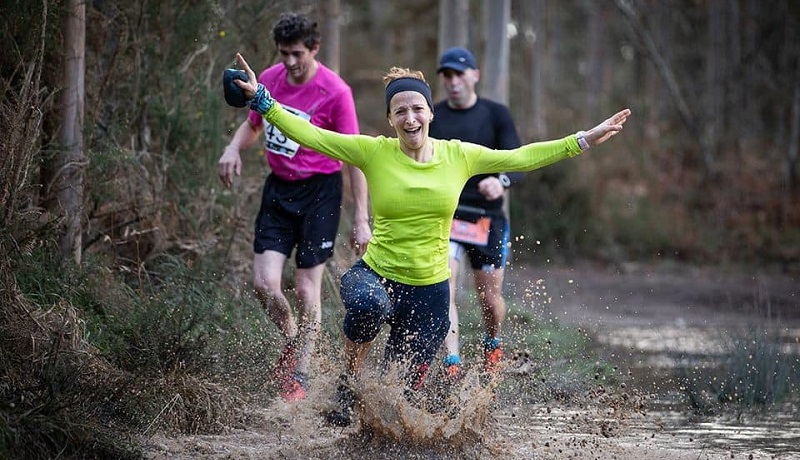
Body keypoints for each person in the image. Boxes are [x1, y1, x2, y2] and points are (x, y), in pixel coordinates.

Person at [222, 51, 631, 426]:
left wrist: (583, 139)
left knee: (401, 389)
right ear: (390, 119)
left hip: (430, 289)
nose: (410, 118)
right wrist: (262, 100)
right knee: (367, 305)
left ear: (430, 113)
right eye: (400, 111)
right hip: (377, 273)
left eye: (417, 108)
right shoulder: (374, 152)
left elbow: (520, 157)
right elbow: (313, 136)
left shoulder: (459, 155)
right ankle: (347, 382)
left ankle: (377, 423)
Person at [217, 13, 371, 402]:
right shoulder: (267, 79)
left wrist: (361, 219)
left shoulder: (335, 92)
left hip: (321, 191)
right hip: (279, 190)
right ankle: (291, 343)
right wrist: (233, 148)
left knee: (306, 287)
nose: (289, 62)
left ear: (314, 48)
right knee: (264, 285)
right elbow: (254, 125)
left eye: (297, 54)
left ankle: (300, 373)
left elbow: (356, 157)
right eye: (283, 53)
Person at [429, 47, 523, 378]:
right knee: (446, 287)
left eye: (459, 74)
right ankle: (452, 362)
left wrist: (501, 181)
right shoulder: (433, 116)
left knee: (489, 297)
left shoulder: (496, 114)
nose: (453, 82)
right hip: (449, 215)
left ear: (475, 75)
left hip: (487, 218)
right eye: (447, 75)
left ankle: (493, 342)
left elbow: (519, 161)